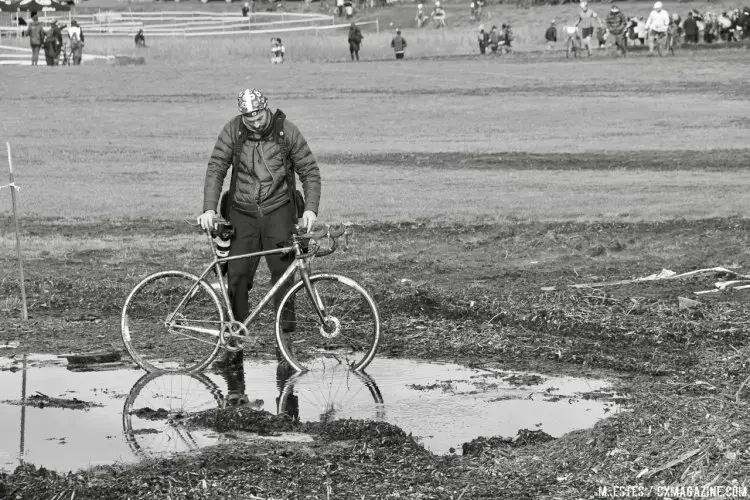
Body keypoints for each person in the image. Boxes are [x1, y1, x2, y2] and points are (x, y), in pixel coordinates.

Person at [198, 88, 321, 368]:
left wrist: (311, 209)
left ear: (266, 108)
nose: (254, 121)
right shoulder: (232, 130)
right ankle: (233, 344)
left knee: (284, 276)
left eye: (258, 115)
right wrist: (209, 209)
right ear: (242, 116)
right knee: (238, 277)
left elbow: (309, 171)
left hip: (279, 210)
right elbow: (216, 167)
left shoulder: (286, 131)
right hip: (242, 213)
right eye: (248, 117)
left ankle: (284, 344)